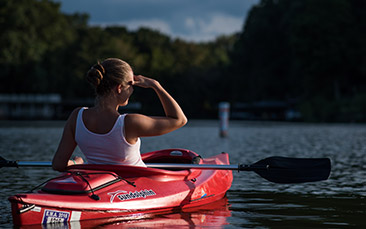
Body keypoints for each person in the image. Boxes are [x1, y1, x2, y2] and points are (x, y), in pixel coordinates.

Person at [52, 58, 187, 171]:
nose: (133, 89)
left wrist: (76, 164)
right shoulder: (130, 123)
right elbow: (179, 119)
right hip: (135, 189)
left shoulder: (76, 116)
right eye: (131, 84)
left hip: (101, 187)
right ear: (119, 88)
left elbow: (58, 164)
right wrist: (156, 86)